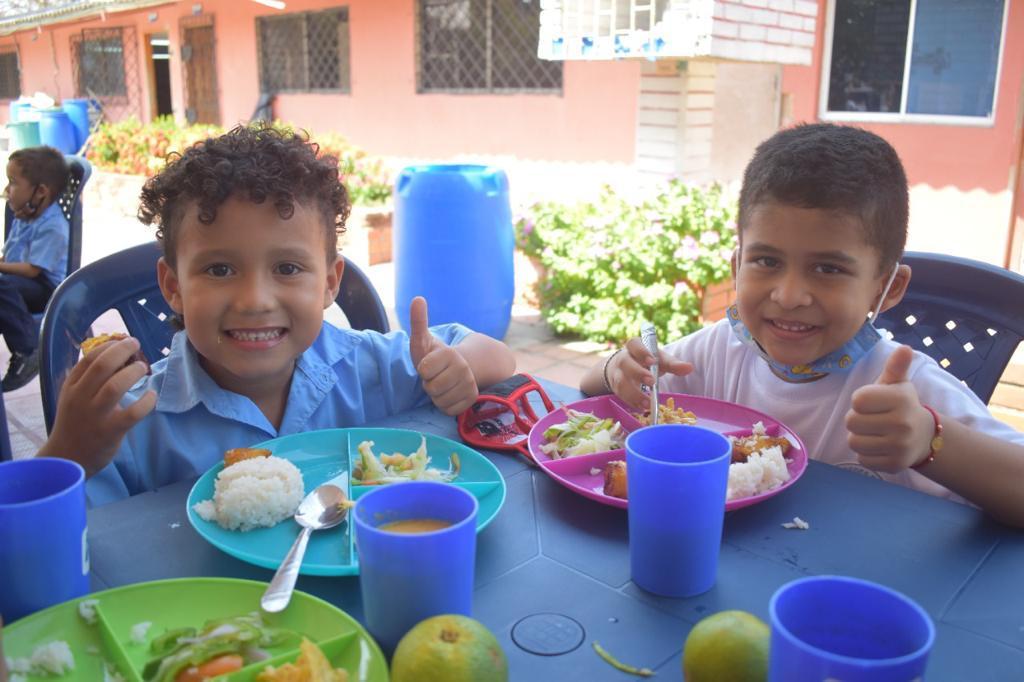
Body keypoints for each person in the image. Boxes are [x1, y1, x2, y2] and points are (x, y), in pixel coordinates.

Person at [36, 124, 516, 505]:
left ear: (329, 283)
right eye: (220, 268)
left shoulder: (364, 366)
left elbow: (497, 357)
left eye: (287, 267)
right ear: (173, 287)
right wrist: (66, 452)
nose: (254, 300)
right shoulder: (131, 422)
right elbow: (29, 552)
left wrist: (459, 369)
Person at [582, 123, 1024, 527]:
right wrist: (617, 369)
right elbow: (590, 388)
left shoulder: (908, 392)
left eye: (828, 269)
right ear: (737, 265)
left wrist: (930, 442)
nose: (789, 295)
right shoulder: (715, 352)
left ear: (886, 288)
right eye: (766, 261)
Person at [0, 146, 68, 392]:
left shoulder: (54, 226)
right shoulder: (24, 215)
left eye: (13, 182)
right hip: (18, 286)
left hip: (45, 289)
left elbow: (32, 271)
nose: (7, 190)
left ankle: (27, 349)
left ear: (40, 191)